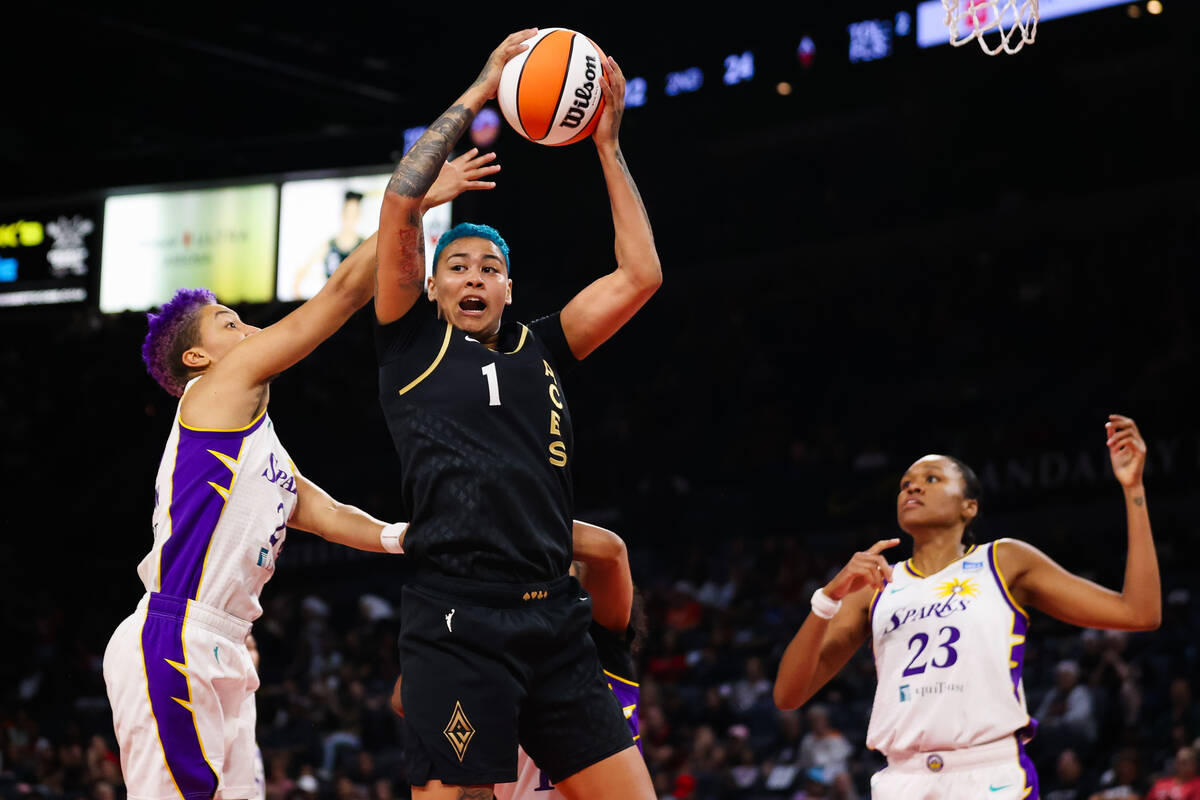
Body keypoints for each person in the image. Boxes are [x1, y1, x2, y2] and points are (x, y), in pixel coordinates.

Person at [101, 158, 490, 800]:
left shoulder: (257, 445)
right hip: (174, 636)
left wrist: (404, 538)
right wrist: (411, 208)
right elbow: (336, 298)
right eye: (231, 324)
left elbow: (325, 512)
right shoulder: (212, 390)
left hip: (226, 643)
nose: (251, 329)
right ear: (199, 358)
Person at [374, 29, 661, 800]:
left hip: (555, 621)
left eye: (489, 268)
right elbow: (400, 203)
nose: (473, 277)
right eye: (457, 267)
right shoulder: (410, 347)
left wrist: (607, 142)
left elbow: (641, 273)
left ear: (508, 288)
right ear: (434, 290)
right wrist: (483, 86)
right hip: (457, 619)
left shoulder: (547, 345)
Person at [773, 415, 1160, 800]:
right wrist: (828, 598)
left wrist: (1134, 489)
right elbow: (789, 695)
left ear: (969, 507)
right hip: (901, 780)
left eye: (932, 479)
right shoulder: (874, 585)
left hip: (988, 775)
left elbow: (1139, 613)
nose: (913, 488)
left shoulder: (1004, 560)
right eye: (906, 484)